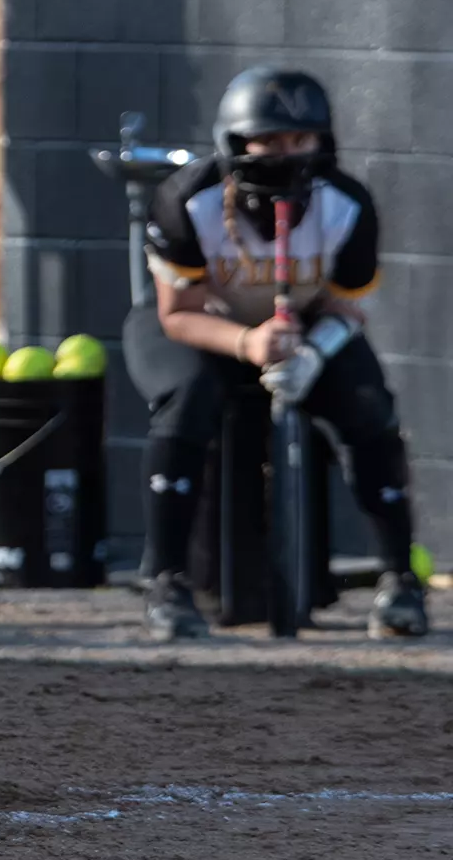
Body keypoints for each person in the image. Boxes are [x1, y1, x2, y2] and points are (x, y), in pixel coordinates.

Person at [131, 66, 427, 642]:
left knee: (368, 406)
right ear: (235, 143)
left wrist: (313, 355)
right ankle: (167, 583)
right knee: (187, 399)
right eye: (267, 140)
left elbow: (347, 307)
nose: (284, 155)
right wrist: (247, 342)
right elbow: (176, 312)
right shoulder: (187, 201)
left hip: (309, 332)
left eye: (300, 139)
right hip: (207, 326)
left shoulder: (346, 204)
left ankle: (400, 582)